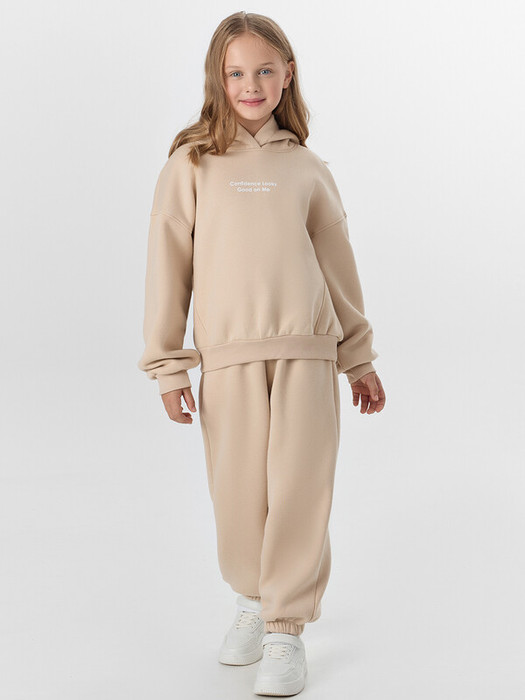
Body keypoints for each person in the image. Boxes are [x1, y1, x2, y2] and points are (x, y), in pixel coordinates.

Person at [138, 10, 386, 697]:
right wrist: (167, 364)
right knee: (239, 492)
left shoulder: (306, 168)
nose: (251, 85)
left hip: (308, 352)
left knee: (300, 488)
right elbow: (167, 268)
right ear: (217, 79)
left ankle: (285, 629)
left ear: (287, 75)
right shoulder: (190, 164)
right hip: (228, 358)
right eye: (236, 73)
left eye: (264, 70)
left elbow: (338, 267)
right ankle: (252, 599)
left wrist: (359, 358)